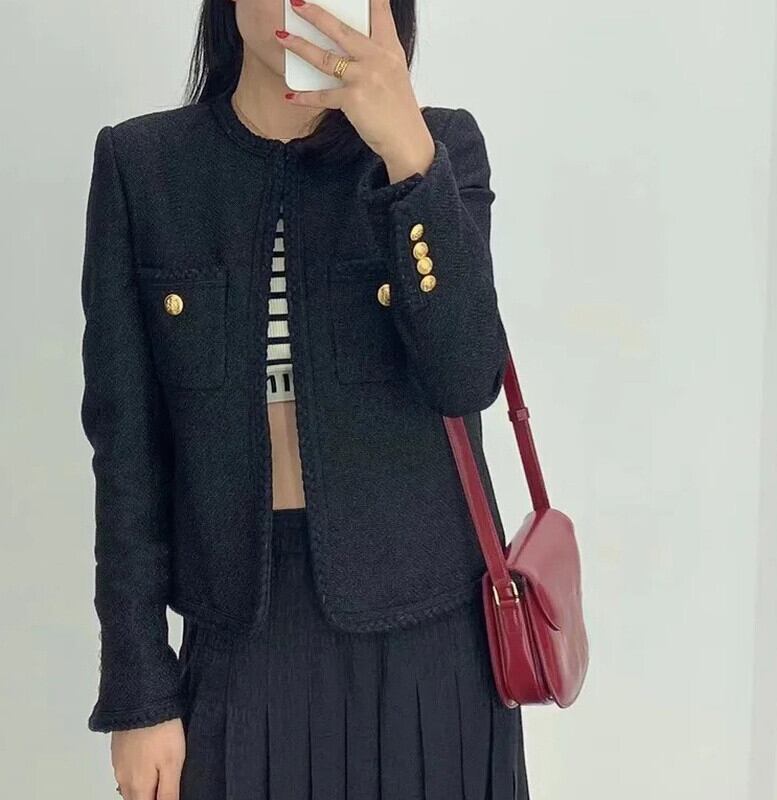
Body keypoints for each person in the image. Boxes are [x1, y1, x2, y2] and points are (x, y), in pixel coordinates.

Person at [78, 0, 529, 797]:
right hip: (241, 638)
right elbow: (127, 456)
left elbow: (466, 378)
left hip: (435, 645)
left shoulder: (439, 146)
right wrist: (139, 690)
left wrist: (407, 157)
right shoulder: (144, 166)